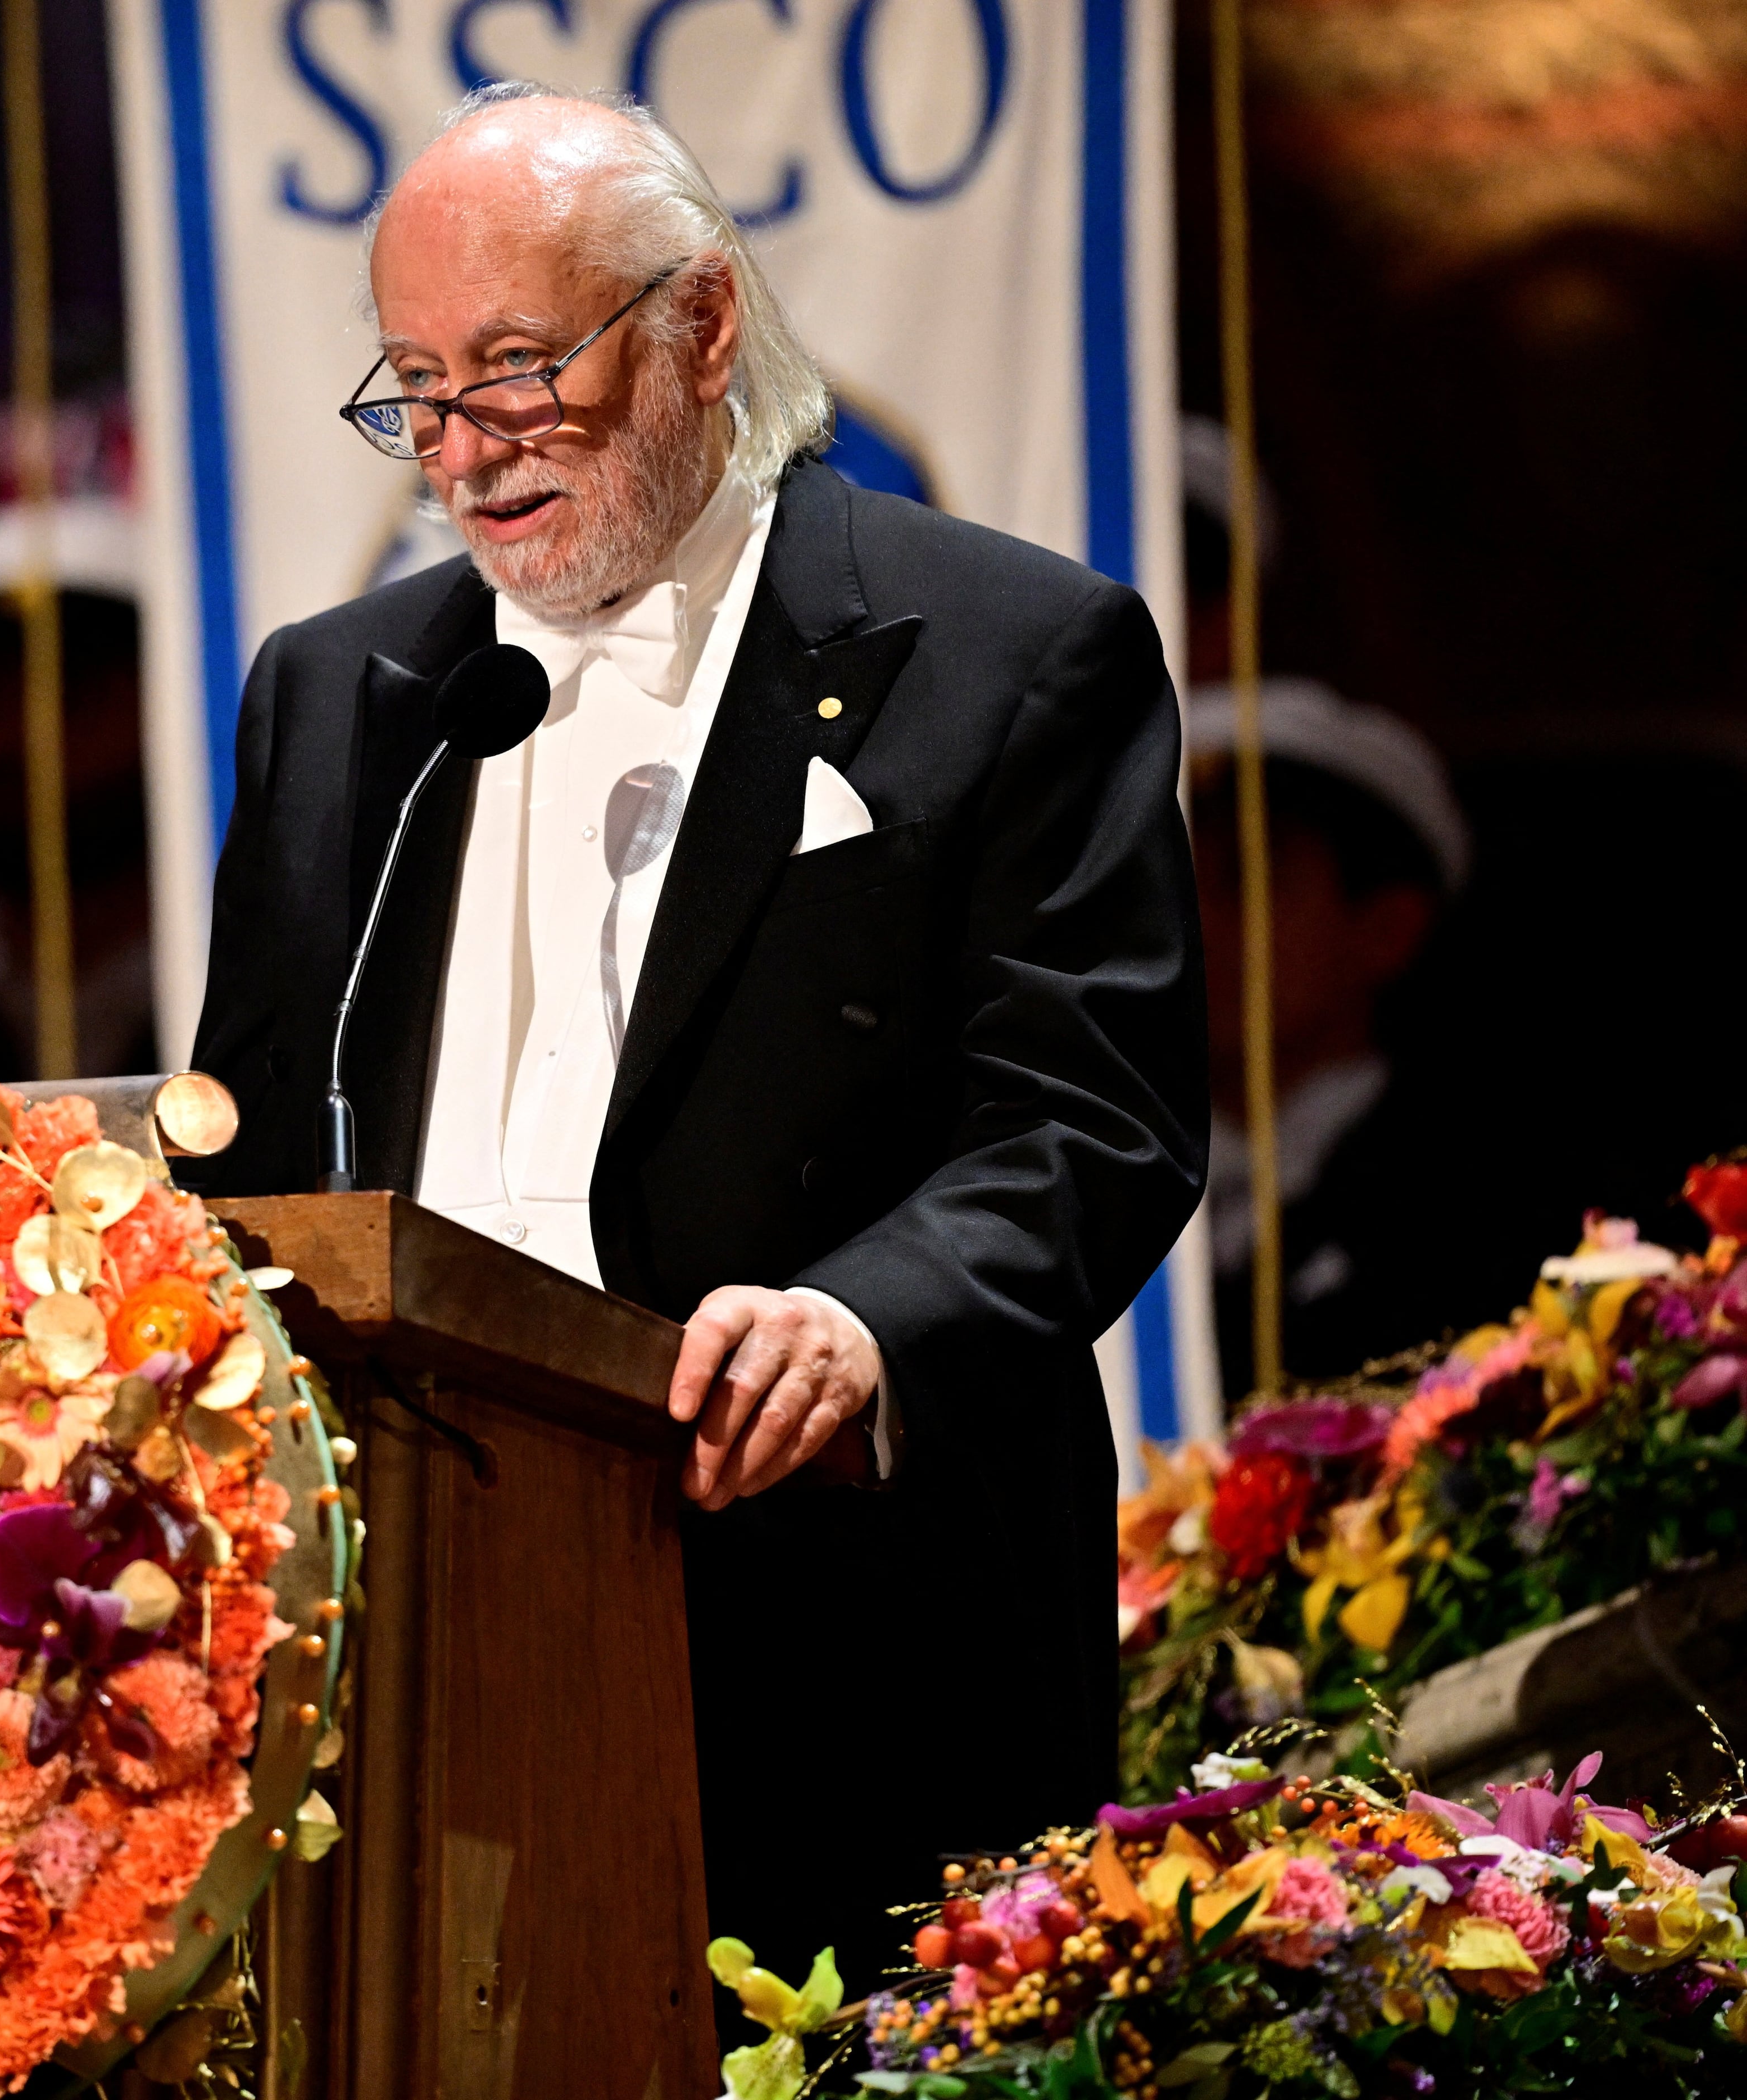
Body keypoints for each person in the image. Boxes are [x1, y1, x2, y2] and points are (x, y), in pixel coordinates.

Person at [183, 85, 1207, 1999]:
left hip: (840, 1617)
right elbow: (263, 1159)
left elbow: (1093, 1114)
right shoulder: (339, 696)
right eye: (415, 384)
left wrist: (868, 1315)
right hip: (417, 1630)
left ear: (704, 324)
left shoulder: (1005, 650)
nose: (465, 450)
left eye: (516, 367)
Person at [1185, 680, 1478, 1393]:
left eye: (1246, 878)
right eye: (1164, 877)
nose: (1188, 921)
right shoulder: (1095, 1174)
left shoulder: (1469, 1199)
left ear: (1387, 929)